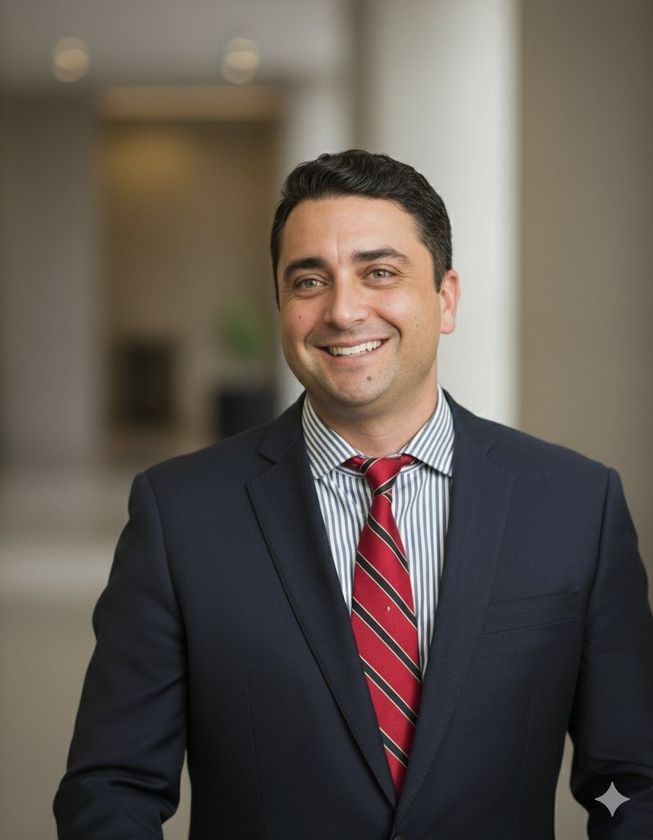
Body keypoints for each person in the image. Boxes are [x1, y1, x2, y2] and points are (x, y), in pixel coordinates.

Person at [54, 150, 653, 839]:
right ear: (281, 304)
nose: (342, 310)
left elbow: (631, 781)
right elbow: (113, 787)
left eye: (379, 273)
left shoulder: (575, 506)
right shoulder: (179, 515)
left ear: (445, 297)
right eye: (309, 280)